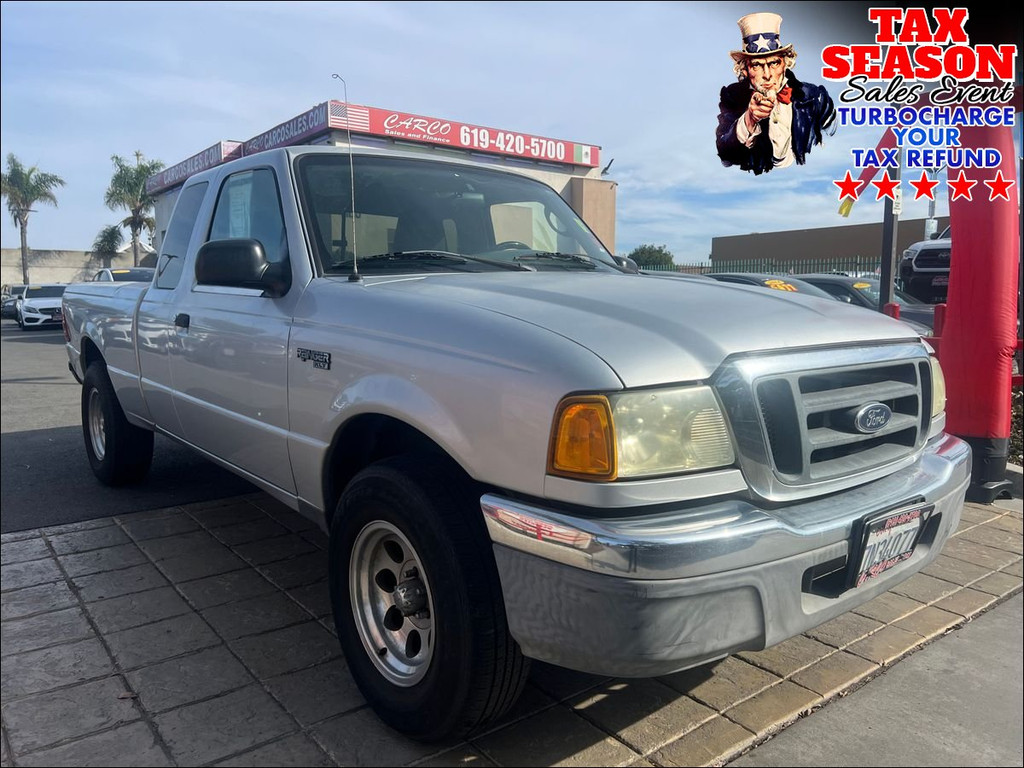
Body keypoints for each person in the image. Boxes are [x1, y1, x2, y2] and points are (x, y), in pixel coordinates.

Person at [716, 12, 835, 175]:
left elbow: (832, 143)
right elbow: (725, 155)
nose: (767, 74)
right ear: (744, 69)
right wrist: (750, 119)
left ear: (785, 63)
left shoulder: (815, 97)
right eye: (757, 65)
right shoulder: (733, 96)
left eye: (774, 63)